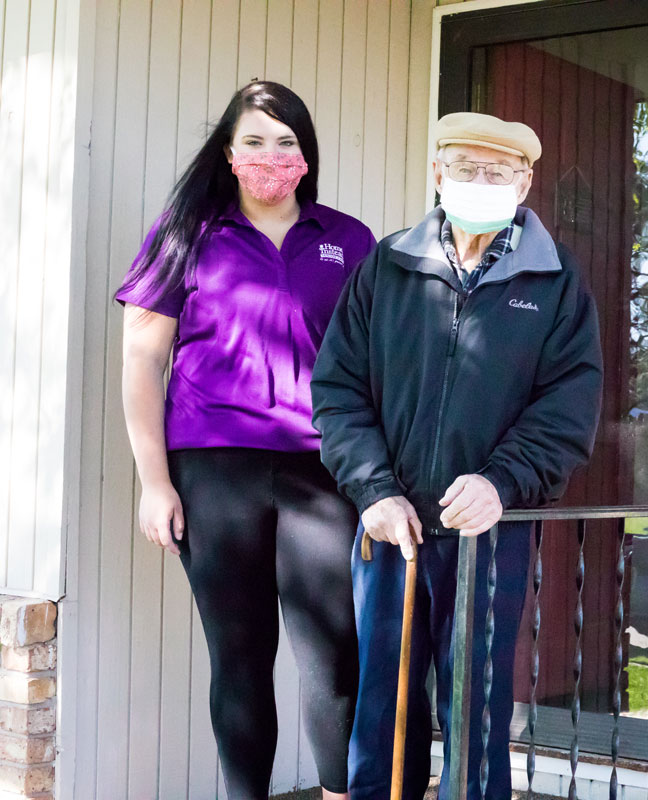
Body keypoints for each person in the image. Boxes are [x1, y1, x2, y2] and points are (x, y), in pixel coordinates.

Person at [311, 111, 603, 800]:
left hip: (491, 531)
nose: (481, 181)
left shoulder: (556, 282)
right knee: (383, 703)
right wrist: (373, 491)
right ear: (438, 173)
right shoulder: (386, 266)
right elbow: (337, 390)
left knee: (476, 710)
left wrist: (502, 482)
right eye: (466, 168)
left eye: (498, 172)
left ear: (525, 181)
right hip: (390, 527)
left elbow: (568, 405)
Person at [117, 81, 374, 800]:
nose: (271, 155)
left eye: (286, 141)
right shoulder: (187, 232)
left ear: (305, 153)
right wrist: (154, 480)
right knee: (240, 658)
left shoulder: (347, 240)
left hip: (322, 473)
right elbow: (142, 358)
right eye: (255, 141)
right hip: (212, 474)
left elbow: (375, 362)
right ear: (229, 154)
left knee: (334, 658)